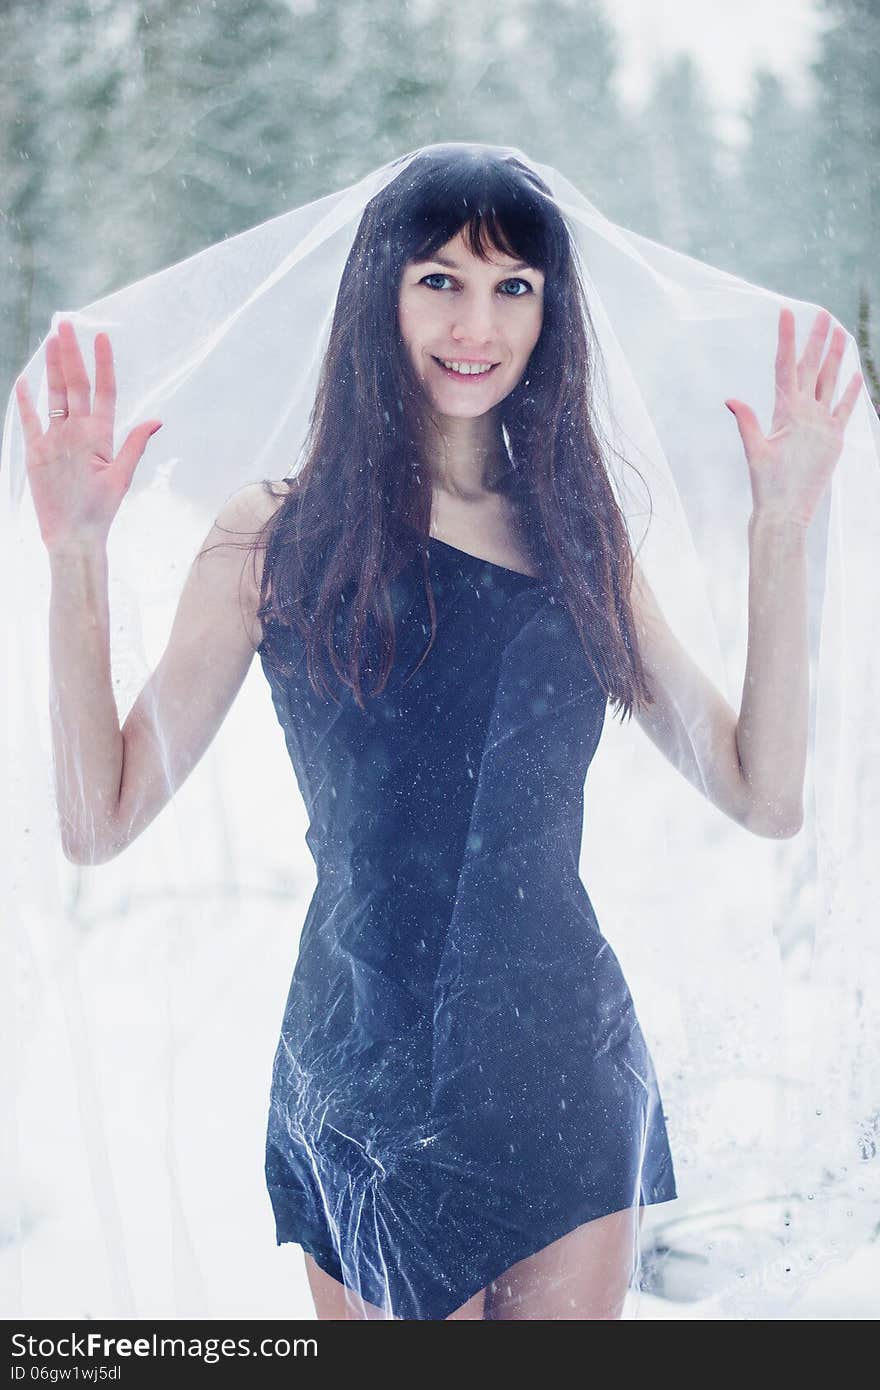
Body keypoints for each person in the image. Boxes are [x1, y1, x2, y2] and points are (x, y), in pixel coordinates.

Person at [8, 144, 873, 1321]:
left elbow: (762, 793)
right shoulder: (268, 539)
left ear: (549, 313)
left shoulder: (580, 541)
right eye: (441, 280)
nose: (478, 323)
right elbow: (96, 817)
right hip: (363, 1070)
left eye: (513, 286)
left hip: (558, 1061)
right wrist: (75, 559)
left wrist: (780, 526)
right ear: (380, 291)